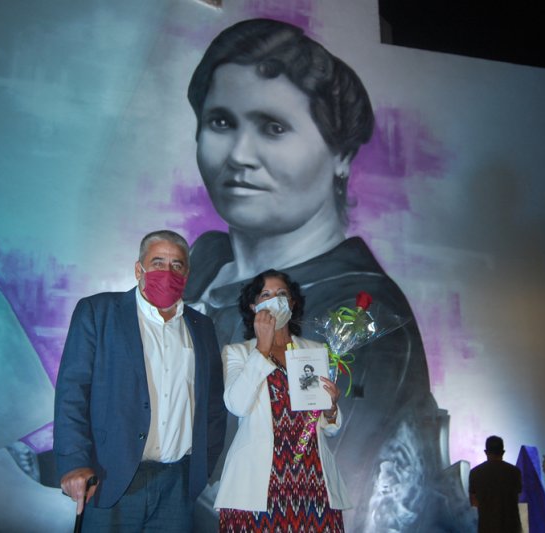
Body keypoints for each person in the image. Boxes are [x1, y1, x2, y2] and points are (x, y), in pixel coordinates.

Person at [184, 18, 460, 532]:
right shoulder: (204, 263)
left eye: (272, 126)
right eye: (221, 122)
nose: (239, 156)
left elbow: (315, 443)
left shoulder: (363, 315)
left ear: (341, 155)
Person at [54, 229, 227, 531]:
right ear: (139, 269)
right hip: (112, 478)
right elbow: (73, 392)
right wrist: (73, 461)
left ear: (187, 273)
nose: (168, 272)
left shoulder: (202, 327)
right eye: (158, 262)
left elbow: (212, 403)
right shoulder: (98, 312)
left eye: (177, 265)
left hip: (178, 485)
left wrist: (203, 466)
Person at [215, 269, 349, 531]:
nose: (274, 299)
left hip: (312, 478)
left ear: (293, 303)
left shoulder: (315, 350)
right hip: (256, 483)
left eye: (281, 294)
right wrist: (262, 349)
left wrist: (331, 408)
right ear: (254, 306)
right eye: (266, 294)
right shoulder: (238, 353)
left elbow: (326, 425)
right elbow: (236, 405)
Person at [468, 436, 522, 533]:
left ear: (486, 452)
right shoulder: (515, 472)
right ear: (503, 452)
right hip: (512, 528)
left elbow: (474, 502)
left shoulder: (475, 473)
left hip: (487, 528)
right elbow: (517, 497)